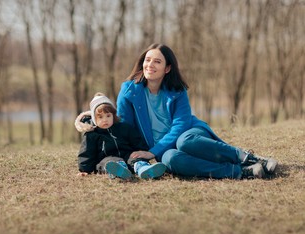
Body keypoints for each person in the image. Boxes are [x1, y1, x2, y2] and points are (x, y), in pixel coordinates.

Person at [76, 44, 277, 179]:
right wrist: (92, 117)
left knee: (184, 142)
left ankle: (248, 158)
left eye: (157, 61)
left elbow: (181, 125)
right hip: (163, 150)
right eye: (147, 60)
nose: (150, 65)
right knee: (172, 159)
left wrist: (152, 152)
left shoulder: (177, 91)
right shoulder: (129, 90)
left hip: (189, 134)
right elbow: (123, 125)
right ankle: (240, 172)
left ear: (167, 68)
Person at [77, 93, 167, 180]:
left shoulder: (124, 128)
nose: (105, 120)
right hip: (107, 159)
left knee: (135, 159)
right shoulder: (92, 135)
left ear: (113, 115)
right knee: (110, 162)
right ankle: (118, 171)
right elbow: (86, 154)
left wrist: (140, 151)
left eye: (108, 116)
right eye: (100, 117)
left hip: (127, 155)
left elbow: (136, 140)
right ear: (94, 119)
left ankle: (144, 169)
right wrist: (85, 170)